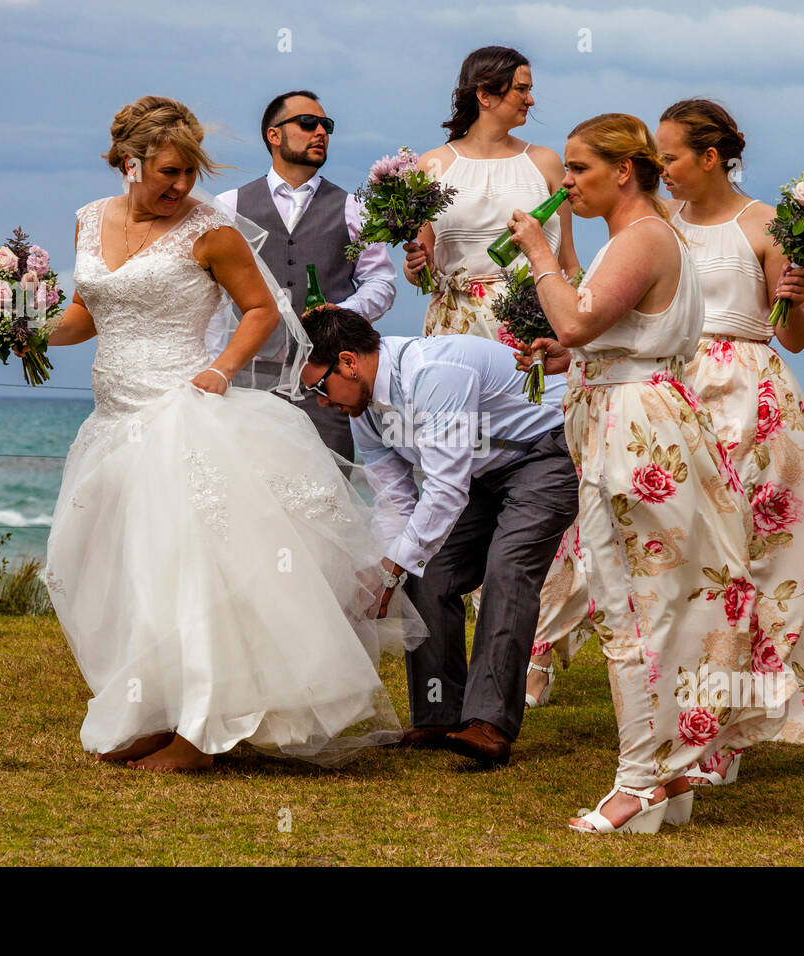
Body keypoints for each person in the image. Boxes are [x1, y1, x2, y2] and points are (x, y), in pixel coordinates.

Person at [42, 96, 421, 772]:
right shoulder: (88, 222)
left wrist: (220, 370)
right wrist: (24, 331)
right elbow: (86, 310)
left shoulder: (210, 229)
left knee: (189, 572)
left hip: (182, 410)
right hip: (113, 420)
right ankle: (154, 711)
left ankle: (201, 731)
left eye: (189, 173)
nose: (181, 186)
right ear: (126, 164)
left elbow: (258, 308)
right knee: (127, 568)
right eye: (167, 173)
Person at [508, 113, 792, 833]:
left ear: (622, 171)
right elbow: (601, 338)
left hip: (634, 434)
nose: (565, 183)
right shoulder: (641, 238)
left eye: (578, 170)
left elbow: (577, 318)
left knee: (630, 605)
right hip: (636, 414)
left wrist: (541, 255)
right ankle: (670, 777)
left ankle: (638, 781)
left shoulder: (641, 237)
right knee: (658, 601)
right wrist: (566, 357)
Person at [653, 99, 804, 785]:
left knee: (759, 564)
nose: (660, 168)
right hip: (671, 395)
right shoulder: (657, 223)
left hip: (751, 398)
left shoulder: (764, 223)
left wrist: (796, 295)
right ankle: (681, 720)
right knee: (684, 562)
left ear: (709, 157)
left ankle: (730, 733)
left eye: (669, 155)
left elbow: (793, 335)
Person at [297, 306, 579, 767]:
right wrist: (386, 567)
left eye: (318, 387)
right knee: (426, 571)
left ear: (348, 362)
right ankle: (439, 716)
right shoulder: (363, 410)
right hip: (482, 475)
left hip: (545, 453)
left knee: (507, 566)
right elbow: (396, 501)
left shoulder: (435, 373)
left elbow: (445, 490)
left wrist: (393, 567)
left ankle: (489, 725)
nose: (321, 402)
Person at [403, 45, 586, 710]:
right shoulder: (431, 166)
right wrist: (416, 263)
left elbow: (564, 259)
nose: (531, 100)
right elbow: (421, 268)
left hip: (527, 326)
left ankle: (531, 652)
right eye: (521, 88)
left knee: (539, 475)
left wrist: (578, 332)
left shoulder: (542, 164)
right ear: (485, 91)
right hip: (452, 325)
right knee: (457, 482)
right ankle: (453, 669)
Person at [207, 90, 397, 462]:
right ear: (273, 135)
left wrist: (342, 311)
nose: (320, 132)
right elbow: (212, 298)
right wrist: (215, 367)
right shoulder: (228, 207)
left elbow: (382, 283)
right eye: (308, 123)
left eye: (326, 126)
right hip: (248, 381)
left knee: (327, 499)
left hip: (327, 383)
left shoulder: (352, 208)